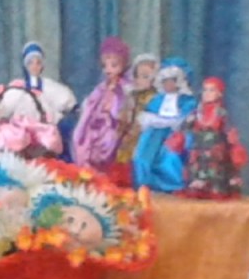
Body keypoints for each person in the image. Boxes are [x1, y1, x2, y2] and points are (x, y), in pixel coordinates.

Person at [171, 77, 249, 199]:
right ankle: (197, 188)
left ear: (219, 94)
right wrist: (178, 139)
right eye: (205, 90)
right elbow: (183, 127)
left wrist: (235, 147)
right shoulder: (196, 113)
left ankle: (214, 189)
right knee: (196, 171)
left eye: (211, 90)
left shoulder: (221, 113)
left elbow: (229, 131)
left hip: (216, 154)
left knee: (215, 172)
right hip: (198, 153)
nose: (207, 93)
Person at [131, 57, 197, 192]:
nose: (168, 84)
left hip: (175, 133)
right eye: (165, 80)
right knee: (143, 154)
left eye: (171, 80)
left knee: (170, 156)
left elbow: (184, 118)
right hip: (155, 133)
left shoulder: (186, 100)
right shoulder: (157, 99)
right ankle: (145, 182)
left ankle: (172, 184)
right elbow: (148, 115)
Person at [71, 36, 130, 171]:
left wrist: (113, 109)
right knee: (84, 136)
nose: (108, 70)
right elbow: (92, 101)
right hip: (97, 121)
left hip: (113, 124)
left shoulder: (125, 88)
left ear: (122, 65)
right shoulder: (102, 86)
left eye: (113, 65)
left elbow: (125, 107)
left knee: (108, 140)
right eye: (105, 66)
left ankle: (103, 167)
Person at [111, 53, 159, 186]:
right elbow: (125, 115)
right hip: (131, 132)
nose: (139, 80)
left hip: (147, 135)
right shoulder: (132, 95)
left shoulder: (155, 98)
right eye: (137, 76)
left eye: (145, 77)